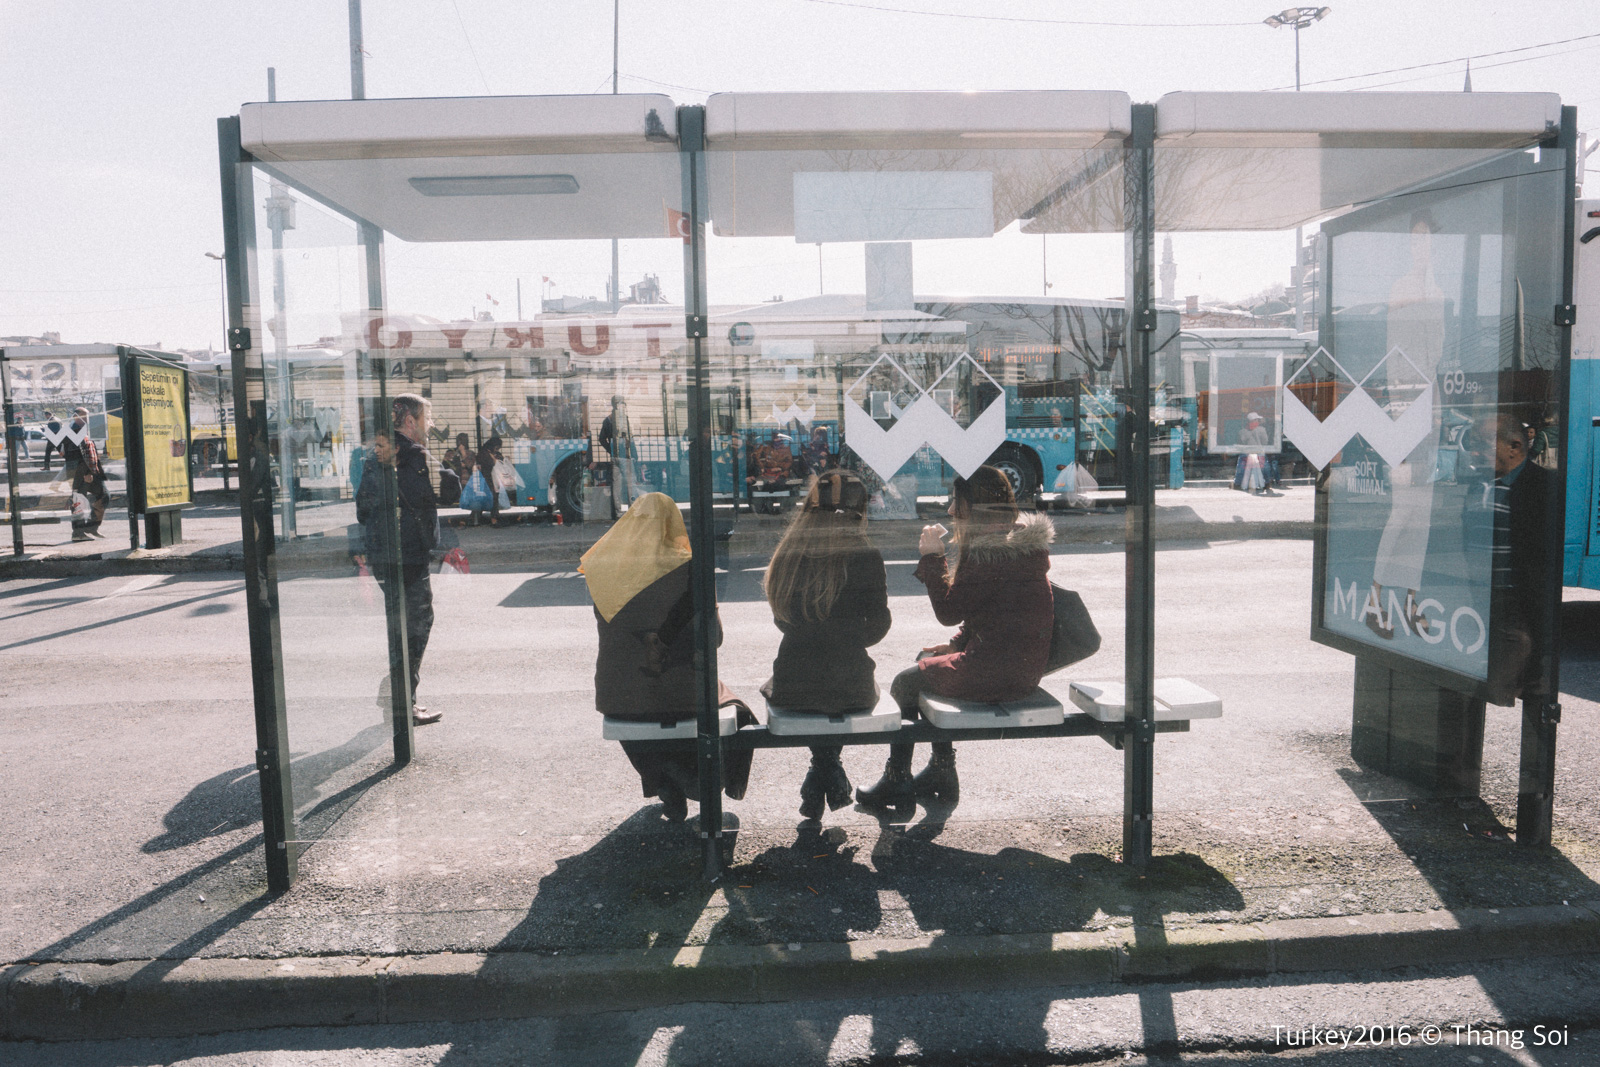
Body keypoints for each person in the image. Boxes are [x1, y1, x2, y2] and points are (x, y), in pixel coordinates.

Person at [857, 465, 1054, 811]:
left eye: (957, 503)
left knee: (904, 684)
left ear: (975, 509)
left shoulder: (987, 554)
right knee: (925, 661)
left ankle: (898, 779)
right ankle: (941, 772)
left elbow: (948, 611)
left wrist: (932, 557)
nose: (950, 511)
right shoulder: (1019, 547)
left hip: (993, 673)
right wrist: (956, 644)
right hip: (1020, 670)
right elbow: (990, 611)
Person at [579, 492, 755, 821]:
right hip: (685, 694)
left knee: (643, 704)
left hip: (619, 696)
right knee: (737, 709)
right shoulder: (690, 568)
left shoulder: (603, 569)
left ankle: (663, 781)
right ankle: (699, 780)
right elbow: (714, 638)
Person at [761, 472, 890, 821]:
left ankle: (823, 767)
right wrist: (845, 637)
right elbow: (877, 628)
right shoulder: (865, 554)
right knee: (836, 689)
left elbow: (782, 620)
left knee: (816, 690)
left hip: (792, 684)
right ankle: (827, 765)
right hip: (851, 685)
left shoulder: (789, 552)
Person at [356, 394, 442, 727]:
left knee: (401, 626)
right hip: (409, 557)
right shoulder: (413, 455)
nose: (430, 425)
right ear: (410, 421)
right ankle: (402, 700)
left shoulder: (376, 455)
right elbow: (432, 499)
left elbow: (363, 508)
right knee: (417, 626)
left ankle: (398, 695)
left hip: (384, 555)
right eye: (426, 418)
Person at [63, 407, 108, 540]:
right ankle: (78, 533)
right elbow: (76, 455)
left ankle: (91, 527)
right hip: (82, 472)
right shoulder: (72, 431)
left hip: (91, 471)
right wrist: (87, 472)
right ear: (75, 416)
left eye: (88, 415)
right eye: (84, 416)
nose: (87, 418)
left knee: (104, 495)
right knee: (78, 501)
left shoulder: (85, 429)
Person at [1235, 412, 1269, 493]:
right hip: (1256, 452)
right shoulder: (1261, 430)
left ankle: (1238, 483)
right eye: (1257, 420)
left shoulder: (1243, 431)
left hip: (1248, 453)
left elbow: (1240, 442)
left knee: (1242, 467)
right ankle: (1266, 483)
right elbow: (1265, 441)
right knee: (1264, 467)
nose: (1258, 422)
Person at [474, 434, 504, 526]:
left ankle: (479, 517)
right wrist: (494, 458)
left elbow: (501, 460)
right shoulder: (483, 454)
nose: (497, 449)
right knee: (492, 497)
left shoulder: (490, 453)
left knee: (491, 497)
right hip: (486, 478)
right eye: (497, 447)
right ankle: (493, 518)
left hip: (493, 479)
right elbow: (491, 463)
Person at [439, 432, 473, 507]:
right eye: (459, 440)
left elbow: (470, 466)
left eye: (463, 440)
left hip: (466, 484)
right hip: (452, 485)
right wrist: (458, 465)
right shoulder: (450, 452)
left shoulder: (470, 453)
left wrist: (463, 453)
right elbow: (444, 467)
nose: (460, 443)